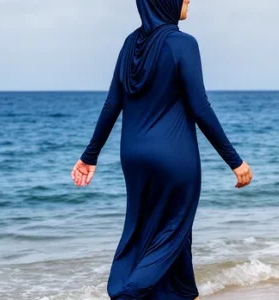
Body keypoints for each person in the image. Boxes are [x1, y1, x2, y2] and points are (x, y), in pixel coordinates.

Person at [71, 0, 252, 299]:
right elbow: (201, 107)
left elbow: (111, 104)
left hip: (132, 157)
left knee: (152, 231)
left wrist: (90, 155)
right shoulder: (183, 43)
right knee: (171, 231)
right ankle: (125, 294)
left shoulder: (131, 43)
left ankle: (183, 293)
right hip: (174, 157)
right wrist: (235, 161)